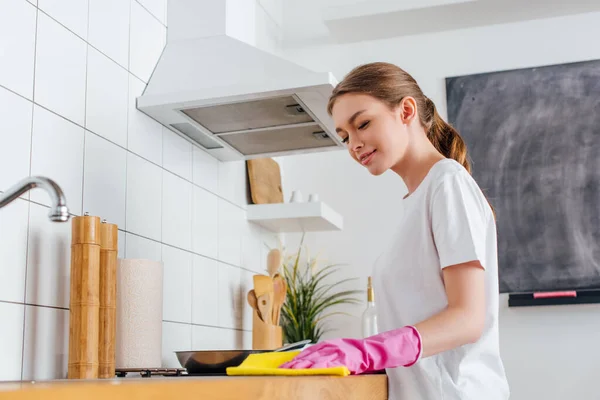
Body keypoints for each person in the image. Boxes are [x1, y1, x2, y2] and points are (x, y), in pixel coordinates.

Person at [279, 62, 510, 400]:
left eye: (363, 124)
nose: (354, 144)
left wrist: (370, 350)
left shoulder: (447, 183)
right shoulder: (418, 200)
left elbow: (468, 319)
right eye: (344, 136)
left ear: (405, 110)